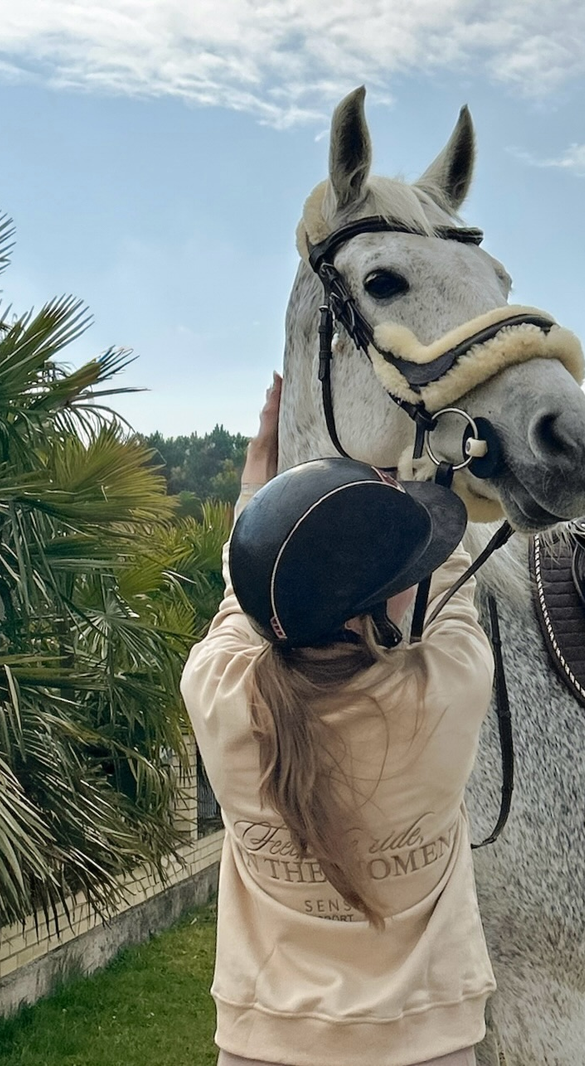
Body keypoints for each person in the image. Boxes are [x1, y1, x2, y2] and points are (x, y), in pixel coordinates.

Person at [181, 374, 496, 1066]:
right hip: (427, 1047)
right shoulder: (447, 686)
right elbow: (453, 579)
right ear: (373, 608)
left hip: (260, 1046)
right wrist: (416, 454)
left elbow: (240, 593)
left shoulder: (218, 692)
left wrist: (260, 481)